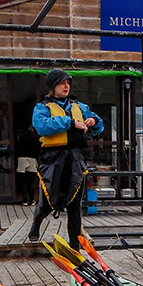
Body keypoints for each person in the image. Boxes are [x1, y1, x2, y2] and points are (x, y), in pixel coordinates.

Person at [27, 69, 103, 247]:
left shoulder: (80, 107)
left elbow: (99, 125)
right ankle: (37, 222)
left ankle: (75, 249)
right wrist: (69, 123)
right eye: (62, 83)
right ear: (53, 87)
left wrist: (94, 121)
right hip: (53, 160)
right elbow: (42, 126)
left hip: (75, 159)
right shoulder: (42, 108)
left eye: (68, 82)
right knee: (47, 202)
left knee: (74, 208)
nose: (66, 86)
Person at [14, 129, 39, 205]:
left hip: (21, 158)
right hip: (32, 158)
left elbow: (16, 147)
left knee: (23, 181)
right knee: (31, 180)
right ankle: (31, 200)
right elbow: (38, 148)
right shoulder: (35, 137)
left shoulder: (19, 136)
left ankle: (25, 199)